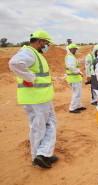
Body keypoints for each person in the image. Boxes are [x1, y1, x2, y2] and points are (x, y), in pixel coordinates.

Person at [8, 30, 58, 168]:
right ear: (40, 41)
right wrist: (29, 77)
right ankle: (41, 154)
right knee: (47, 126)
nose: (47, 46)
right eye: (46, 43)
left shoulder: (34, 54)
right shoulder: (29, 52)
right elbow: (15, 63)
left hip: (38, 98)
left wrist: (28, 76)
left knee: (39, 127)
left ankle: (39, 156)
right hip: (38, 98)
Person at [65, 43, 86, 113]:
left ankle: (78, 106)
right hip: (73, 79)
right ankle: (72, 108)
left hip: (75, 79)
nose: (76, 50)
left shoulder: (71, 56)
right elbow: (70, 66)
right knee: (77, 94)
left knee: (78, 93)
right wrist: (78, 72)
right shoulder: (69, 57)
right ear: (71, 49)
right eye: (75, 49)